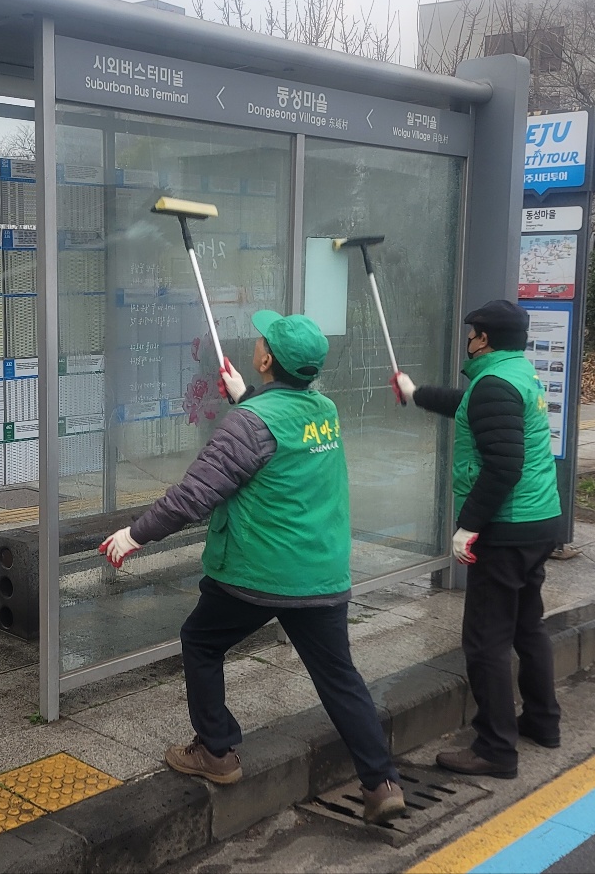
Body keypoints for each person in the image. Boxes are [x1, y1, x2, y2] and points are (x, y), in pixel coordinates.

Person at [99, 311, 406, 824]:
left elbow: (197, 493)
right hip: (321, 573)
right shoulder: (323, 410)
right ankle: (381, 783)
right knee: (339, 678)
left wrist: (135, 535)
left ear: (266, 359)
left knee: (201, 640)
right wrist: (249, 397)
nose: (256, 343)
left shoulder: (251, 423)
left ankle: (216, 751)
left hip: (259, 572)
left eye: (261, 342)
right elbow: (279, 440)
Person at [393, 299, 564, 779]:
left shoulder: (493, 384)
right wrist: (416, 393)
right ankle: (543, 722)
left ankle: (495, 748)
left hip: (507, 530)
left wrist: (469, 525)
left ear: (483, 338)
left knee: (486, 642)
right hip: (538, 521)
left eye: (472, 334)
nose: (468, 341)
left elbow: (503, 466)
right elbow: (470, 409)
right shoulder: (516, 375)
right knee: (528, 626)